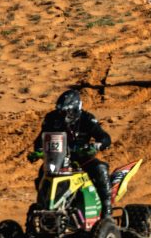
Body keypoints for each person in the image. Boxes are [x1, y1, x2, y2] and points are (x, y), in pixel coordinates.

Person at [28, 89, 113, 219]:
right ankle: (44, 206)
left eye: (69, 111)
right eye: (62, 111)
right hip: (58, 159)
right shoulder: (51, 119)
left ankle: (107, 210)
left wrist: (97, 145)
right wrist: (38, 150)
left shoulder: (87, 119)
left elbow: (105, 137)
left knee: (100, 168)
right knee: (43, 174)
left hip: (82, 158)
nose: (65, 115)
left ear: (77, 108)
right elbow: (41, 139)